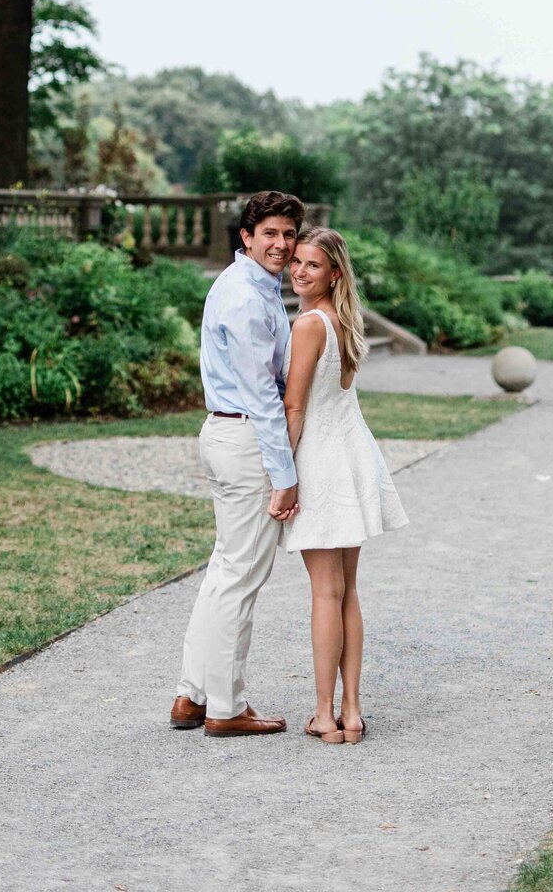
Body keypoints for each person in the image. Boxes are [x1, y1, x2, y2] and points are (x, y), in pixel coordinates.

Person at [170, 189, 304, 737]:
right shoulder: (248, 297)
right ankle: (226, 708)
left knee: (226, 571)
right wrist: (285, 475)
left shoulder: (244, 284)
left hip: (228, 434)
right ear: (246, 236)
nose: (281, 244)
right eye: (269, 233)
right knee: (241, 577)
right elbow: (262, 393)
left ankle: (192, 696)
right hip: (246, 440)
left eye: (289, 234)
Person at [276, 227, 407, 743]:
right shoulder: (345, 322)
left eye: (312, 264)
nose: (299, 271)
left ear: (334, 273)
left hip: (322, 463)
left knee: (325, 592)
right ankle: (352, 710)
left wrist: (282, 476)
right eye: (296, 262)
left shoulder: (309, 324)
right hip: (352, 456)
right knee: (347, 589)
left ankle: (325, 713)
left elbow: (295, 407)